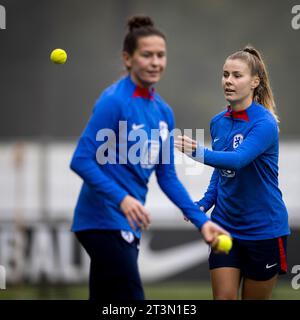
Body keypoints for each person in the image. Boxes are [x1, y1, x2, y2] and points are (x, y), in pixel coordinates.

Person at [70, 15, 228, 301]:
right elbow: (81, 160)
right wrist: (123, 198)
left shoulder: (163, 112)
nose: (155, 62)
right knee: (132, 297)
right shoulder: (114, 101)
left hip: (125, 222)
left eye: (161, 55)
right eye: (147, 55)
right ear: (128, 59)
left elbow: (167, 177)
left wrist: (201, 222)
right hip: (102, 220)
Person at [175, 46, 290, 300]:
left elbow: (237, 160)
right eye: (225, 74)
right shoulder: (218, 122)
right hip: (225, 225)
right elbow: (223, 169)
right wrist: (205, 202)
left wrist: (197, 152)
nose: (228, 81)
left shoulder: (265, 123)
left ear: (254, 82)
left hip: (264, 229)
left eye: (237, 75)